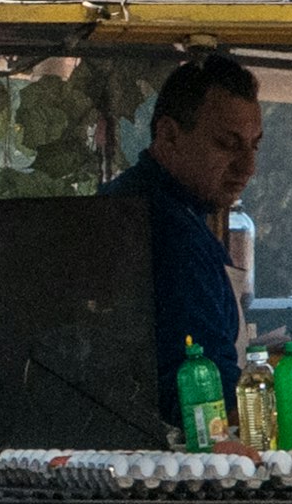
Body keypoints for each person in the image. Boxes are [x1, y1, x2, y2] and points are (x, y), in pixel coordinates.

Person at [102, 52, 259, 428]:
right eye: (227, 143)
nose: (247, 167)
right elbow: (205, 388)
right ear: (169, 135)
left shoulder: (132, 203)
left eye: (255, 146)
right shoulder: (170, 231)